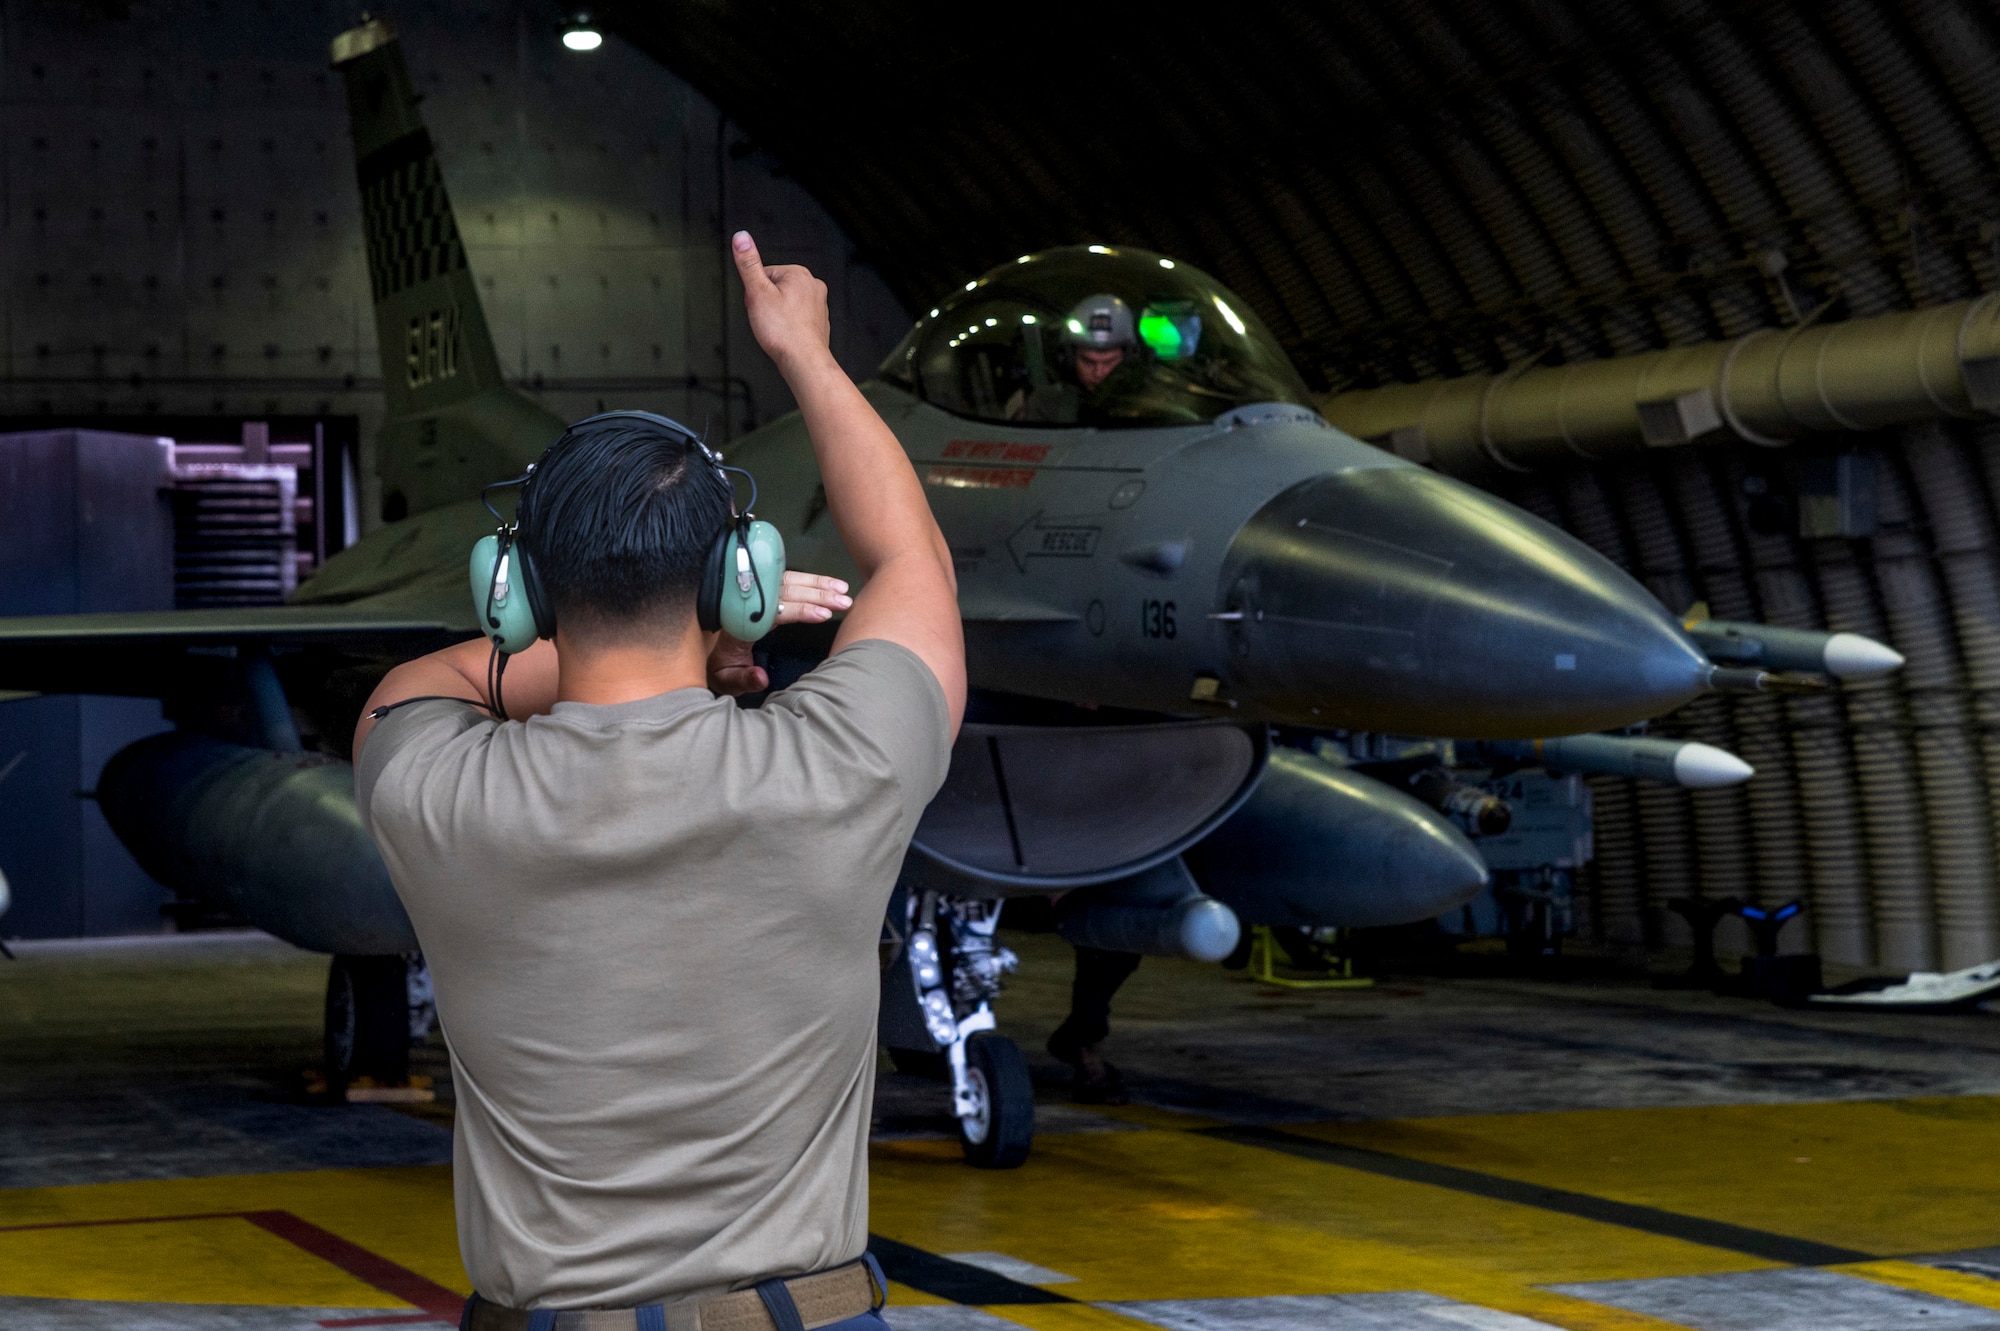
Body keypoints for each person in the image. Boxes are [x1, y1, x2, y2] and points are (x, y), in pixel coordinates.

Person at [352, 230, 965, 1327]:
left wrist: (630, 639)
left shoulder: (433, 790)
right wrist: (806, 354)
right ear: (741, 583)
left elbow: (417, 681)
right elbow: (909, 560)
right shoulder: (839, 760)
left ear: (517, 592)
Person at [1006, 293, 1142, 423]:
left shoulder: (1149, 401)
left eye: (1109, 362)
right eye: (1088, 362)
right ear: (1069, 359)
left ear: (1128, 360)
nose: (1099, 373)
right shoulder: (1045, 404)